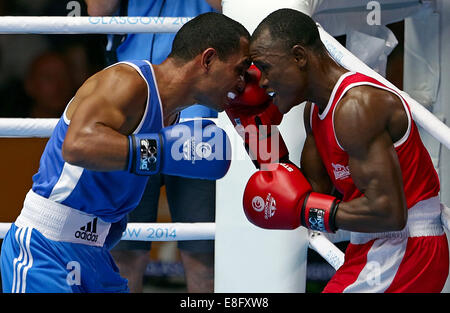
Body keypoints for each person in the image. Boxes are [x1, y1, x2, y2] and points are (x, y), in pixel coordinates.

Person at [0, 12, 251, 293]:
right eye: (239, 69)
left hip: (95, 256)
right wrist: (161, 152)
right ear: (208, 59)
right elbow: (77, 145)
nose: (242, 83)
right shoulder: (127, 81)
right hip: (46, 251)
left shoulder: (172, 117)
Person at [243, 8, 449, 293]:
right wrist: (256, 132)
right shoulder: (314, 112)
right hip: (374, 247)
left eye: (265, 67)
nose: (263, 81)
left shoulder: (357, 108)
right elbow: (304, 195)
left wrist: (306, 208)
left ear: (299, 56)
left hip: (407, 248)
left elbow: (388, 212)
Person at [85, 0, 223, 293]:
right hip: (132, 118)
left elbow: (233, 8)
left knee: (204, 258)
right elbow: (97, 9)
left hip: (197, 122)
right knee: (123, 254)